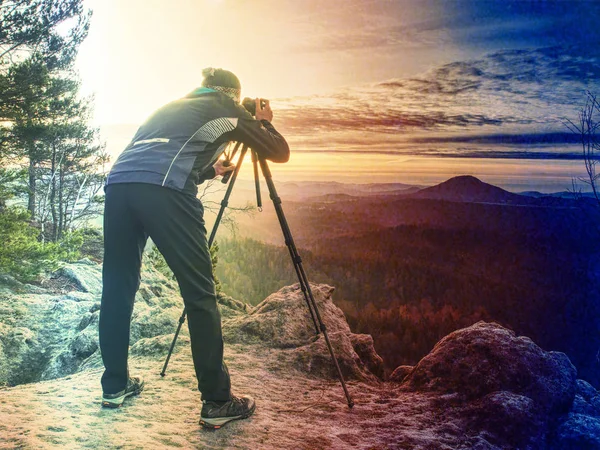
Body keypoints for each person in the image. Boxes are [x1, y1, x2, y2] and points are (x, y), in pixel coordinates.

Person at [98, 67, 290, 429]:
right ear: (232, 94)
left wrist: (209, 171)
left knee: (117, 289)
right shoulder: (226, 106)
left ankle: (115, 386)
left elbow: (164, 153)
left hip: (120, 184)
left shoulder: (172, 107)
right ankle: (217, 402)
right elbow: (279, 152)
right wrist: (263, 122)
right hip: (165, 192)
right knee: (200, 294)